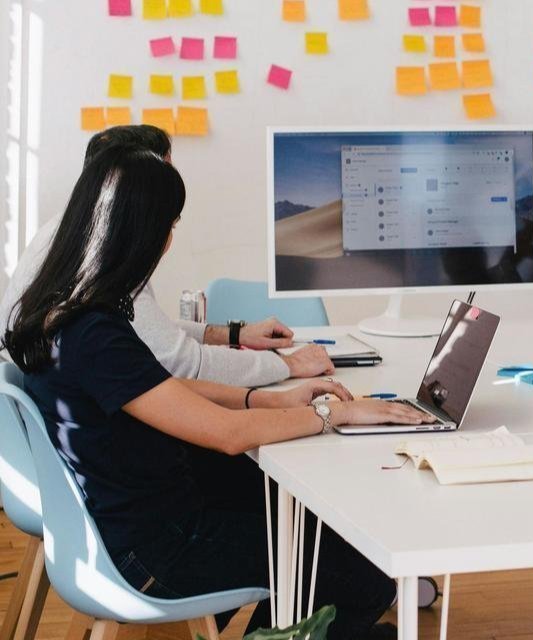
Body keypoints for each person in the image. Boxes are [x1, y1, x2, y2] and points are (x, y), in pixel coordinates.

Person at [2, 146, 431, 638]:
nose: (169, 241)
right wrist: (336, 415)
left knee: (293, 517)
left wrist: (264, 399)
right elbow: (227, 435)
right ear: (146, 234)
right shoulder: (96, 332)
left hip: (126, 524)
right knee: (362, 573)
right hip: (155, 551)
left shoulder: (59, 312)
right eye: (171, 225)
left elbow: (163, 390)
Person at [0, 125, 333, 387]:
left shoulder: (67, 236)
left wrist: (233, 335)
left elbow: (142, 332)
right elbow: (183, 365)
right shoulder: (102, 258)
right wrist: (287, 365)